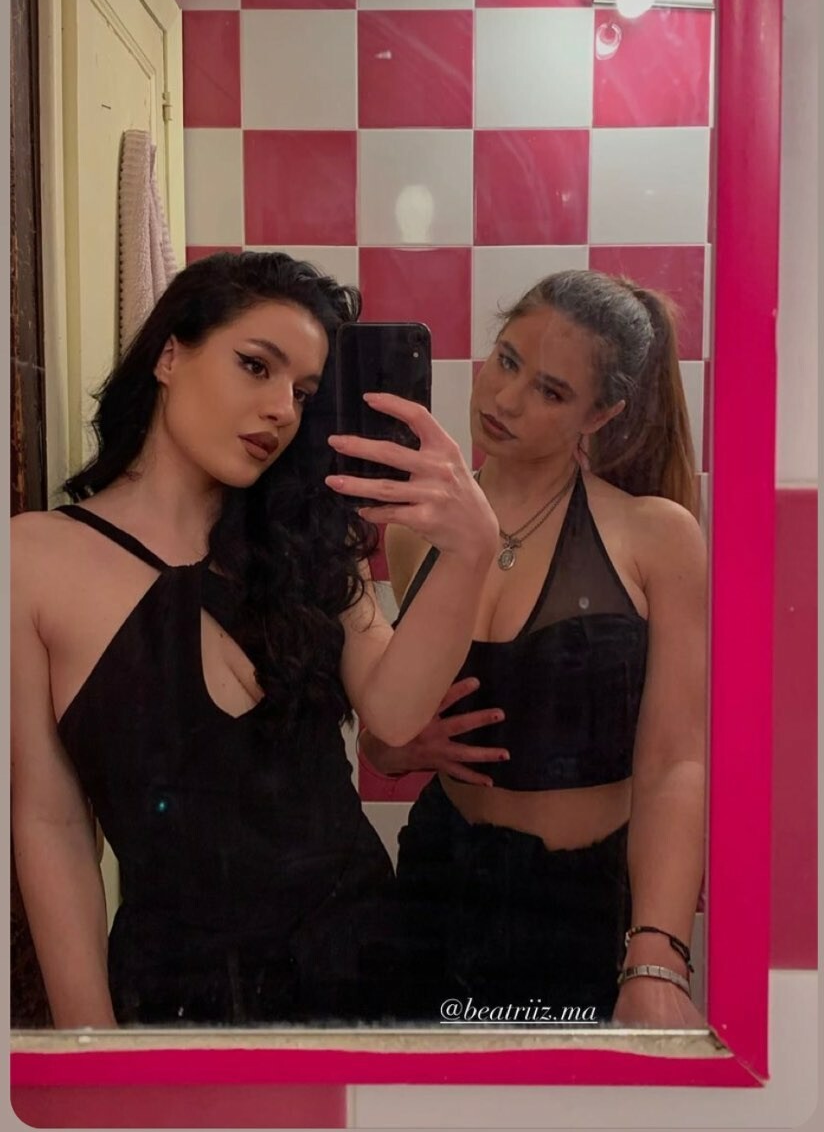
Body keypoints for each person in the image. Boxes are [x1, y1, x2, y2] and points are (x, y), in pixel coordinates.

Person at [11, 251, 498, 1029]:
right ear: (171, 354)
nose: (281, 410)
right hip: (173, 995)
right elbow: (51, 822)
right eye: (255, 366)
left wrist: (472, 552)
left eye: (302, 392)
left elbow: (396, 712)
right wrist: (88, 1039)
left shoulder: (306, 540)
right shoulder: (33, 559)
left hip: (363, 967)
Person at [358, 270, 708, 1030]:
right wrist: (393, 745)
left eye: (551, 391)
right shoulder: (416, 532)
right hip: (437, 873)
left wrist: (658, 954)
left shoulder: (656, 535)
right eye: (507, 360)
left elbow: (676, 759)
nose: (506, 399)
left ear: (601, 414)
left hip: (579, 901)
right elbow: (391, 718)